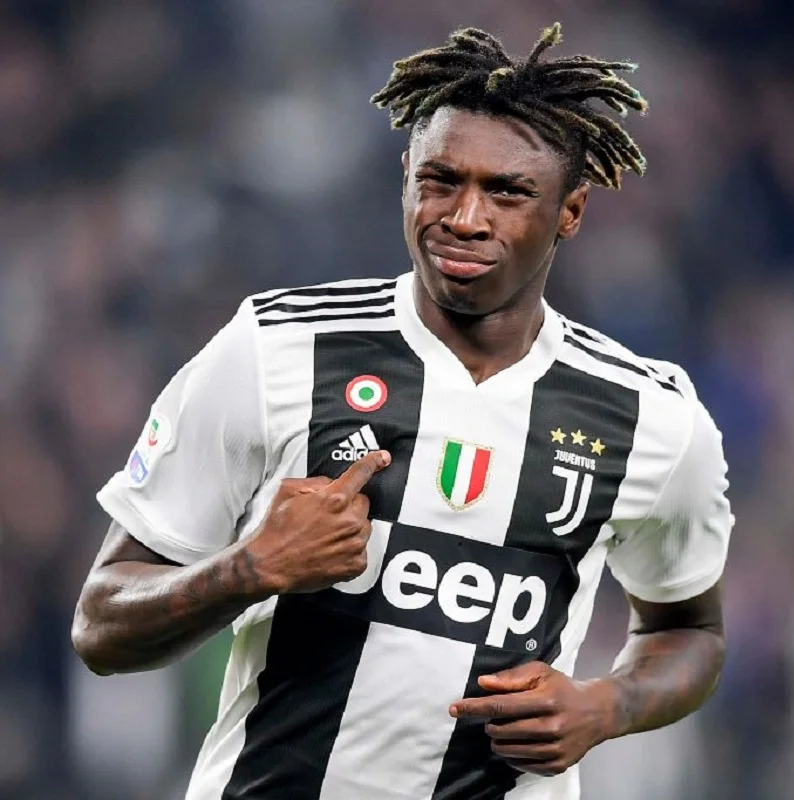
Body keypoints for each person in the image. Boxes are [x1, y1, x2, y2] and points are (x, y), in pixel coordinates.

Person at [71, 23, 733, 800]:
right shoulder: (278, 349)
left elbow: (690, 629)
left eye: (507, 192)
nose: (465, 217)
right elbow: (101, 626)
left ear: (571, 210)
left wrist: (606, 706)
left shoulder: (648, 416)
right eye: (441, 180)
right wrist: (249, 568)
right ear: (405, 177)